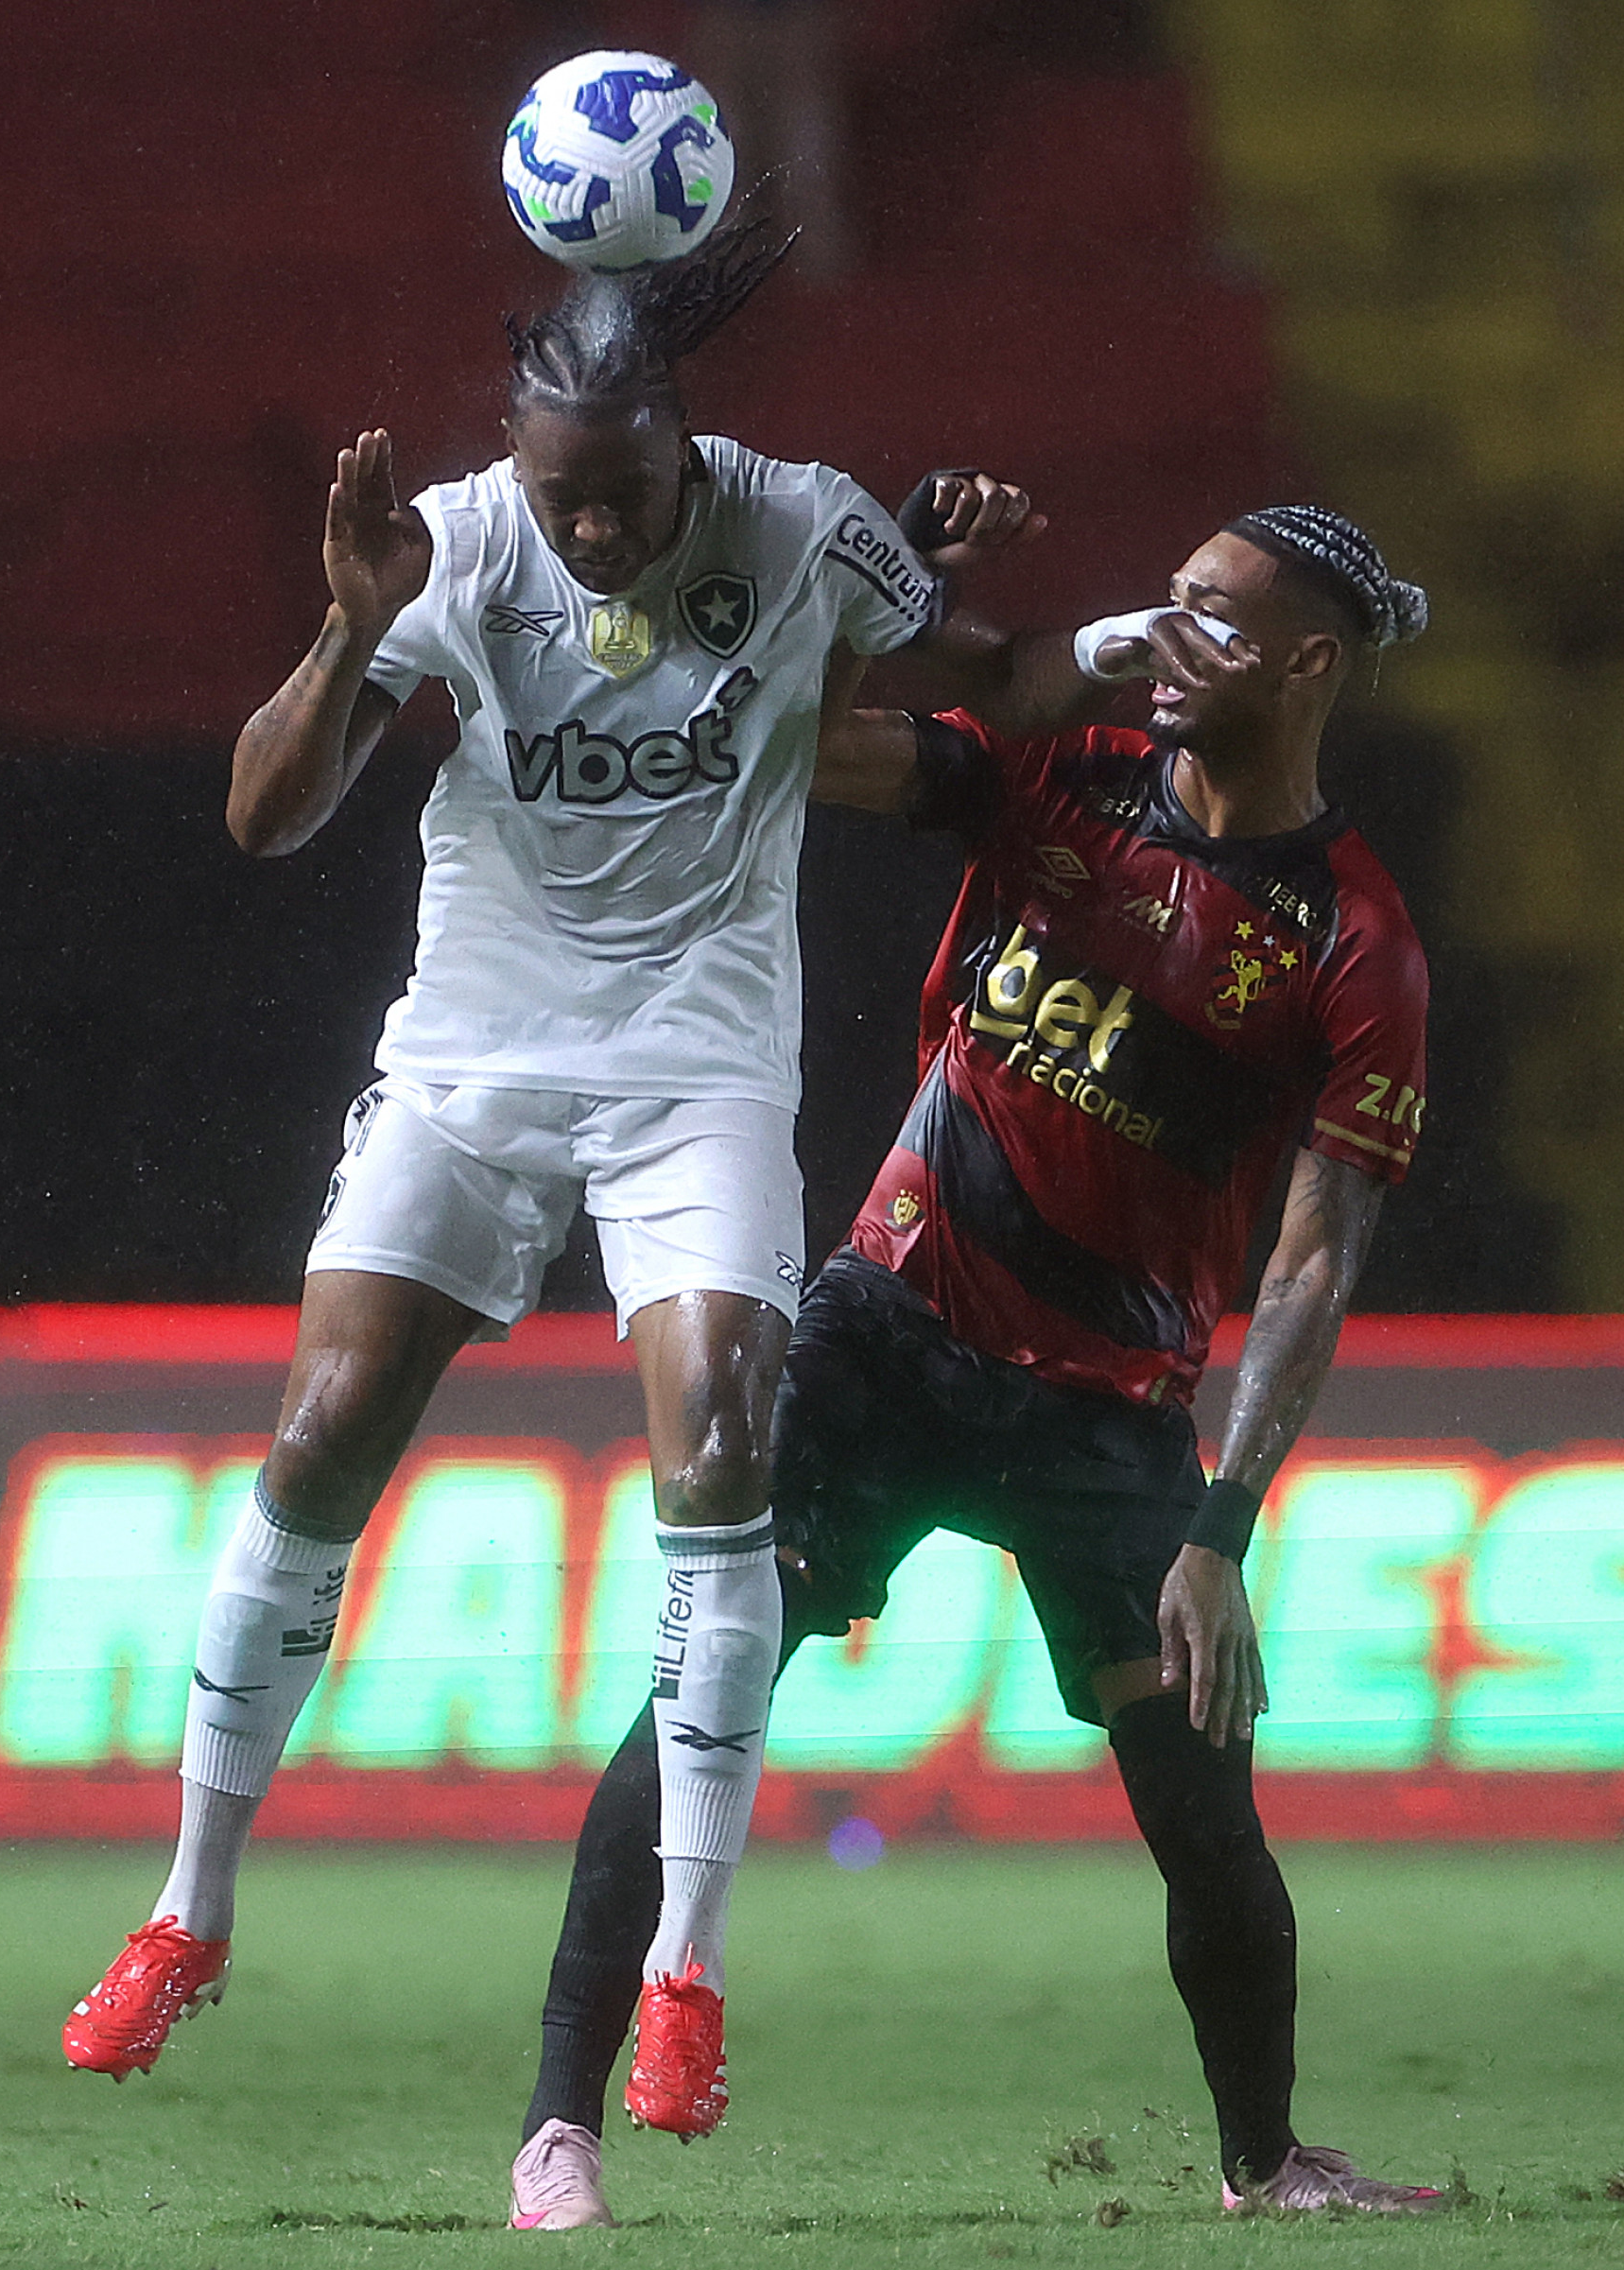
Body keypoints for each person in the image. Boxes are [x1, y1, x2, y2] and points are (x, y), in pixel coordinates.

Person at [59, 212, 1039, 2117]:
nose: (587, 528)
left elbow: (954, 659)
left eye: (621, 496)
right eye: (556, 493)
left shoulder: (797, 518)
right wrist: (350, 623)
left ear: (684, 447)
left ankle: (686, 1969)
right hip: (476, 1054)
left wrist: (972, 586)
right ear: (515, 457)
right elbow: (263, 816)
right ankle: (188, 1910)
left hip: (695, 1063)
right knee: (321, 1429)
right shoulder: (457, 544)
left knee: (724, 1454)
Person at [509, 505, 1448, 2227]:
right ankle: (556, 2130)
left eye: (1215, 617)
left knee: (1204, 1803)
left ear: (1310, 663)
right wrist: (893, 601)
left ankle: (1266, 2163)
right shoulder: (1065, 774)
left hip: (1108, 1415)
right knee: (701, 1697)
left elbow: (1314, 1262)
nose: (1166, 634)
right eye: (1166, 597)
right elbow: (806, 749)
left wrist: (1224, 1526)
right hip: (885, 1337)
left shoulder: (1351, 937)